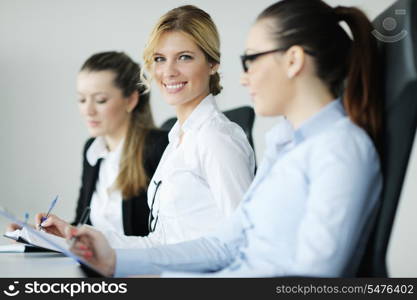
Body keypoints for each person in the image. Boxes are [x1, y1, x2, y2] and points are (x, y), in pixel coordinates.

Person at [71, 0, 382, 277]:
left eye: (252, 60)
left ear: (293, 61)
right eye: (160, 59)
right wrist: (113, 259)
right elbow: (227, 244)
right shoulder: (284, 144)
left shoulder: (339, 148)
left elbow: (312, 277)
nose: (244, 77)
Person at [40, 6, 255, 249]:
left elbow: (245, 240)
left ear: (212, 63)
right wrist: (73, 234)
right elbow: (159, 244)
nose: (169, 71)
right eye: (159, 59)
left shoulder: (216, 138)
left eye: (184, 57)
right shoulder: (177, 139)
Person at [14, 51, 168, 237]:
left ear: (131, 100)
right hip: (97, 263)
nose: (88, 110)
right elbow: (83, 224)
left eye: (100, 100)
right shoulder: (92, 150)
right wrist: (41, 235)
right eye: (82, 99)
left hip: (136, 263)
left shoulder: (158, 148)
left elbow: (165, 236)